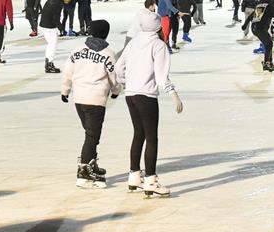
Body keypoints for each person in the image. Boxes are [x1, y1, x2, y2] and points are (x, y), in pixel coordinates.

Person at [116, 11, 183, 198]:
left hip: (131, 95)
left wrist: (124, 83)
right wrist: (173, 93)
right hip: (147, 96)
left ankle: (134, 175)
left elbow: (118, 67)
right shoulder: (158, 45)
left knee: (139, 135)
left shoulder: (132, 43)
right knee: (151, 137)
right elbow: (161, 75)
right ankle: (151, 180)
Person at [61, 19, 121, 189]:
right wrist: (116, 92)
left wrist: (65, 91)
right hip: (95, 99)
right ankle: (83, 172)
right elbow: (114, 77)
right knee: (92, 136)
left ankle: (91, 165)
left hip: (79, 98)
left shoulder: (78, 50)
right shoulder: (108, 53)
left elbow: (68, 72)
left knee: (90, 134)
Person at [39, 0, 68, 74]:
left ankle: (48, 63)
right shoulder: (57, 2)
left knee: (51, 44)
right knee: (52, 45)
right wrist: (61, 28)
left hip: (45, 24)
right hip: (48, 26)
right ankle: (49, 64)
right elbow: (56, 18)